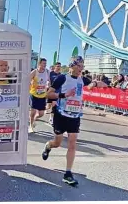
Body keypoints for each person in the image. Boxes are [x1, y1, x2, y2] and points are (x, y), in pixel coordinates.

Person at [41, 56, 107, 186]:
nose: (80, 69)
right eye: (78, 66)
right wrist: (63, 95)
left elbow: (96, 83)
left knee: (72, 143)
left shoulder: (83, 79)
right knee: (57, 143)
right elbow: (48, 94)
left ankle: (68, 173)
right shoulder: (62, 78)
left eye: (82, 67)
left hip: (75, 117)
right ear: (71, 66)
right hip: (61, 115)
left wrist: (99, 84)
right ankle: (48, 146)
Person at [29, 58, 50, 133]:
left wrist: (49, 90)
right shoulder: (34, 72)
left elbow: (50, 82)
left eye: (45, 63)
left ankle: (34, 119)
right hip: (34, 94)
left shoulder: (47, 72)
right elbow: (28, 80)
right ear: (39, 64)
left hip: (42, 95)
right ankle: (31, 126)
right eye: (43, 63)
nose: (45, 65)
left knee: (41, 114)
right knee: (33, 111)